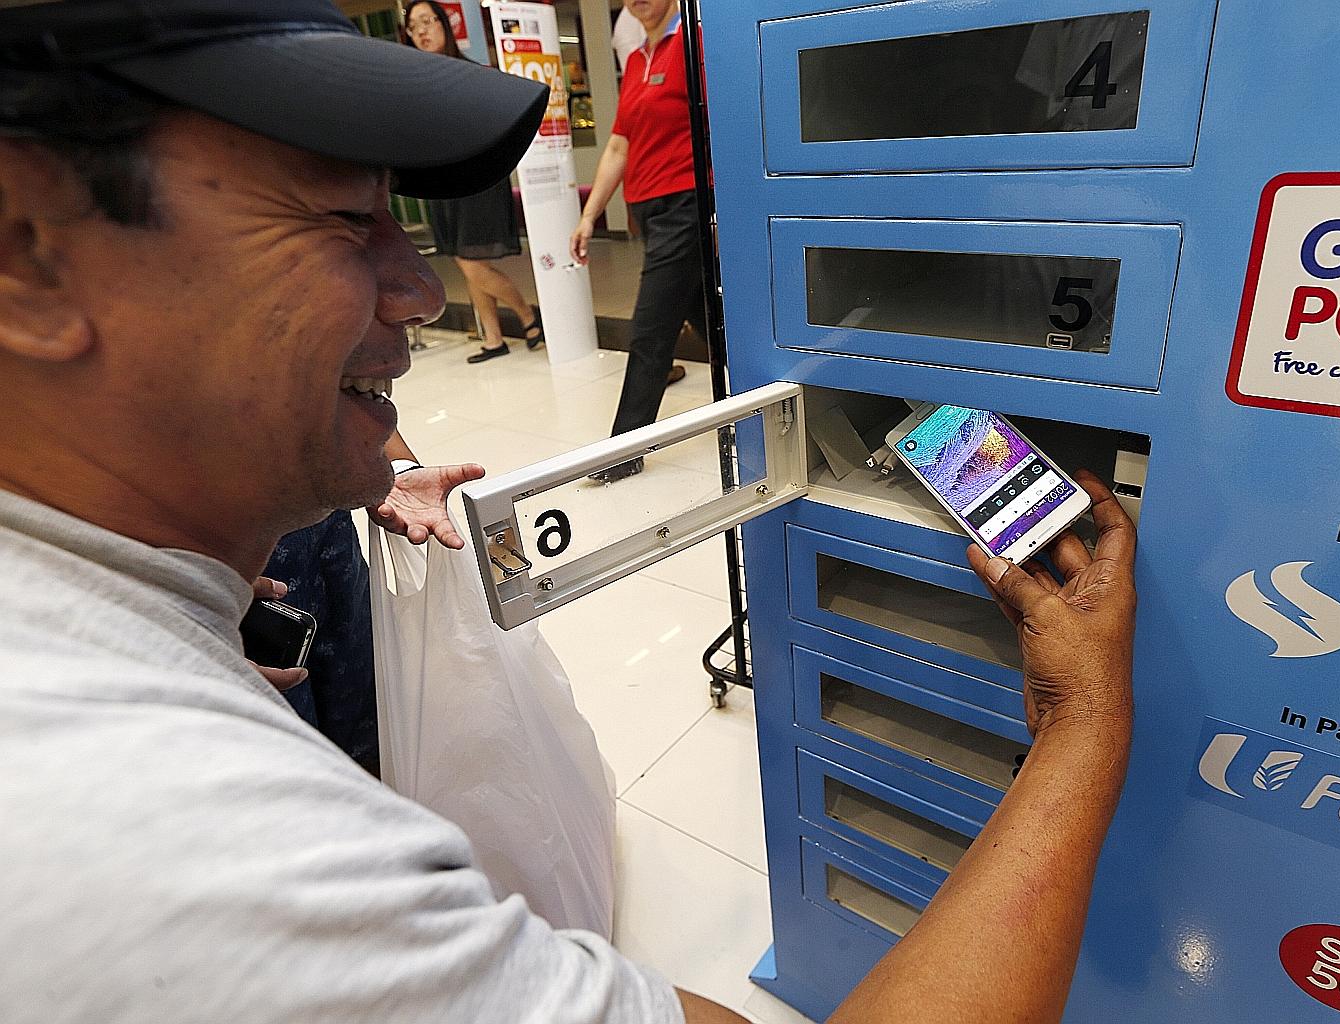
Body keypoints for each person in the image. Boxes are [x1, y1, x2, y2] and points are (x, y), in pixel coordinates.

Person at [0, 3, 1136, 1023]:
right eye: (347, 222)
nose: (421, 289)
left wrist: (188, 613)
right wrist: (1084, 720)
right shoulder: (175, 853)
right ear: (27, 259)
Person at [257, 429, 483, 774]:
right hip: (221, 559)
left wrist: (395, 468)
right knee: (283, 748)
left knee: (367, 713)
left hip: (325, 534)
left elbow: (349, 387)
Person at [572, 0, 700, 483]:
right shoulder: (637, 59)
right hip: (649, 209)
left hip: (686, 203)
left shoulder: (693, 44)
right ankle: (752, 410)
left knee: (650, 328)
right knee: (705, 321)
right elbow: (619, 145)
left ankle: (624, 449)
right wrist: (589, 216)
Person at [404, 0, 544, 362]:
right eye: (413, 25)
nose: (421, 30)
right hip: (444, 183)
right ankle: (493, 339)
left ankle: (528, 315)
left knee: (470, 261)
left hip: (476, 179)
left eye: (427, 21)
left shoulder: (469, 74)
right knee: (463, 259)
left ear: (444, 25)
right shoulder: (416, 79)